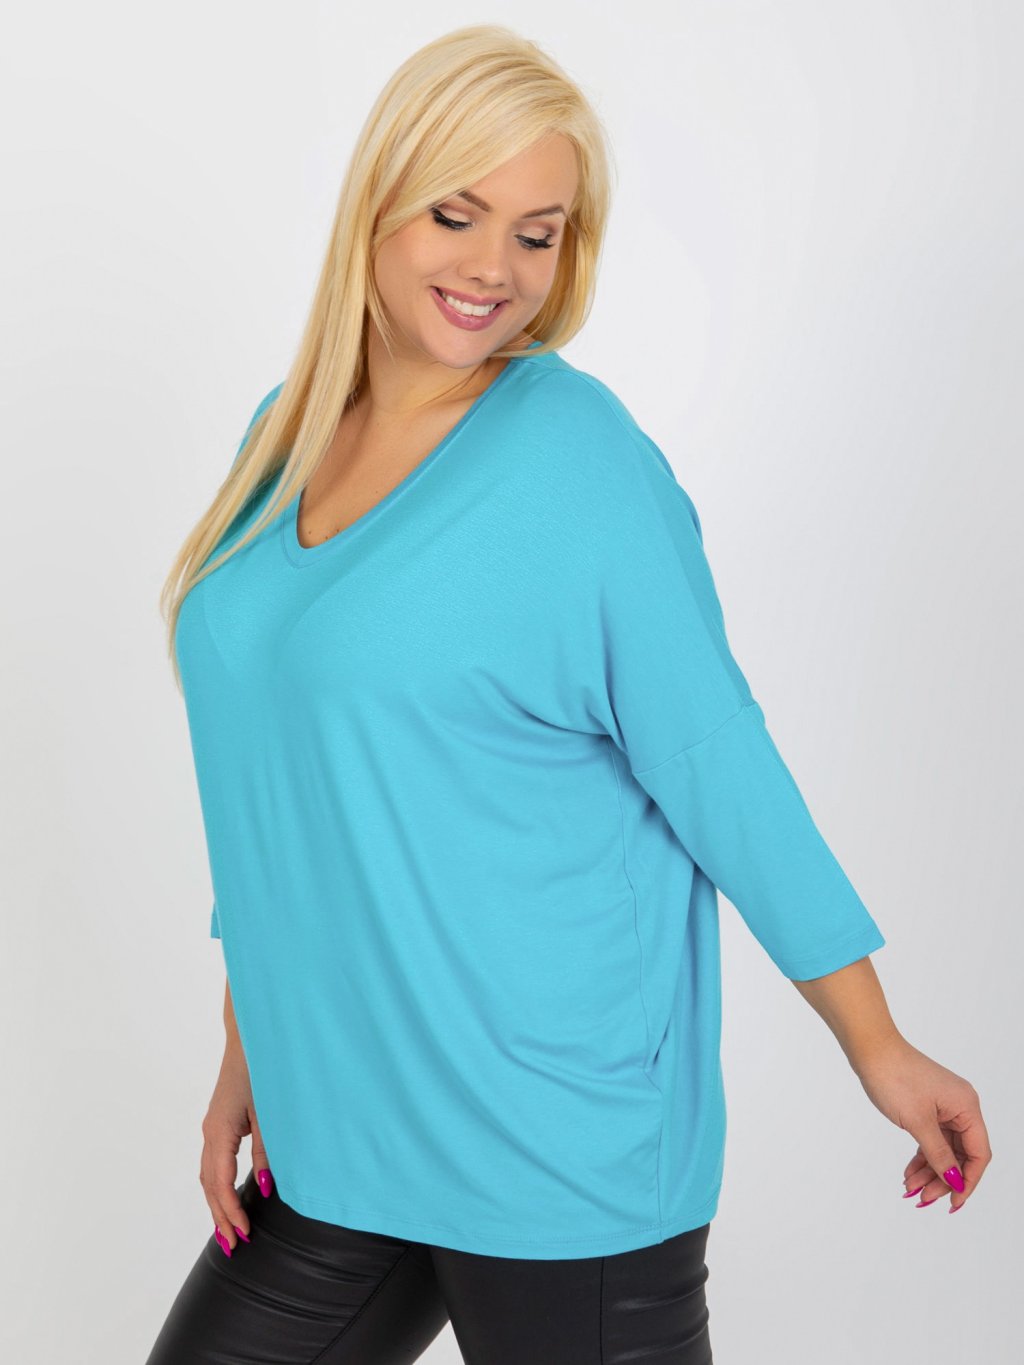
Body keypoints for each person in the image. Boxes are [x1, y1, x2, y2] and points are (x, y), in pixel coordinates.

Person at [149, 23, 991, 1365]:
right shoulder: (283, 436)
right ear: (377, 202)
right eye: (457, 214)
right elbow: (280, 784)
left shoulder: (578, 460)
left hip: (554, 1149)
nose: (495, 267)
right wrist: (249, 1049)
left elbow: (718, 763)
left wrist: (877, 1043)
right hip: (340, 1128)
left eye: (536, 233)